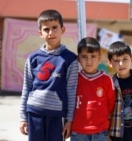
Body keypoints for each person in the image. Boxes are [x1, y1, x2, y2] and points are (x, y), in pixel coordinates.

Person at [19, 9, 79, 141]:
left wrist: (70, 119)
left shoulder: (70, 59)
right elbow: (26, 88)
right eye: (46, 29)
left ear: (62, 29)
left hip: (57, 116)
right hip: (34, 112)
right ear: (40, 33)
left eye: (55, 28)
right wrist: (23, 117)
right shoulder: (32, 58)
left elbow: (71, 90)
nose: (51, 33)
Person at [70, 37, 115, 141]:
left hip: (101, 132)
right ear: (78, 58)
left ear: (99, 57)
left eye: (93, 56)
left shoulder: (107, 80)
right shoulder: (74, 79)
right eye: (84, 56)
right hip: (78, 133)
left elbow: (111, 105)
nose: (89, 61)